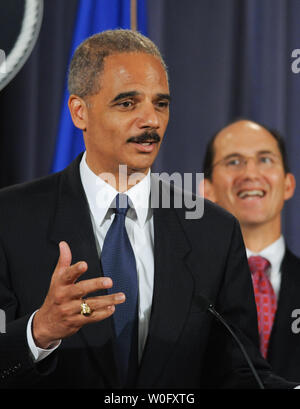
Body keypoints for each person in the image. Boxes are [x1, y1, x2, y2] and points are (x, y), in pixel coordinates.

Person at [0, 30, 296, 389]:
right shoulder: (11, 219)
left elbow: (238, 372)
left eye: (161, 103)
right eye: (128, 103)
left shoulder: (213, 231)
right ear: (80, 112)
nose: (151, 120)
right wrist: (39, 331)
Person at [201, 118, 300, 382]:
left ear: (288, 184)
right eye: (234, 162)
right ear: (206, 189)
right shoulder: (183, 288)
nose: (251, 174)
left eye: (265, 159)